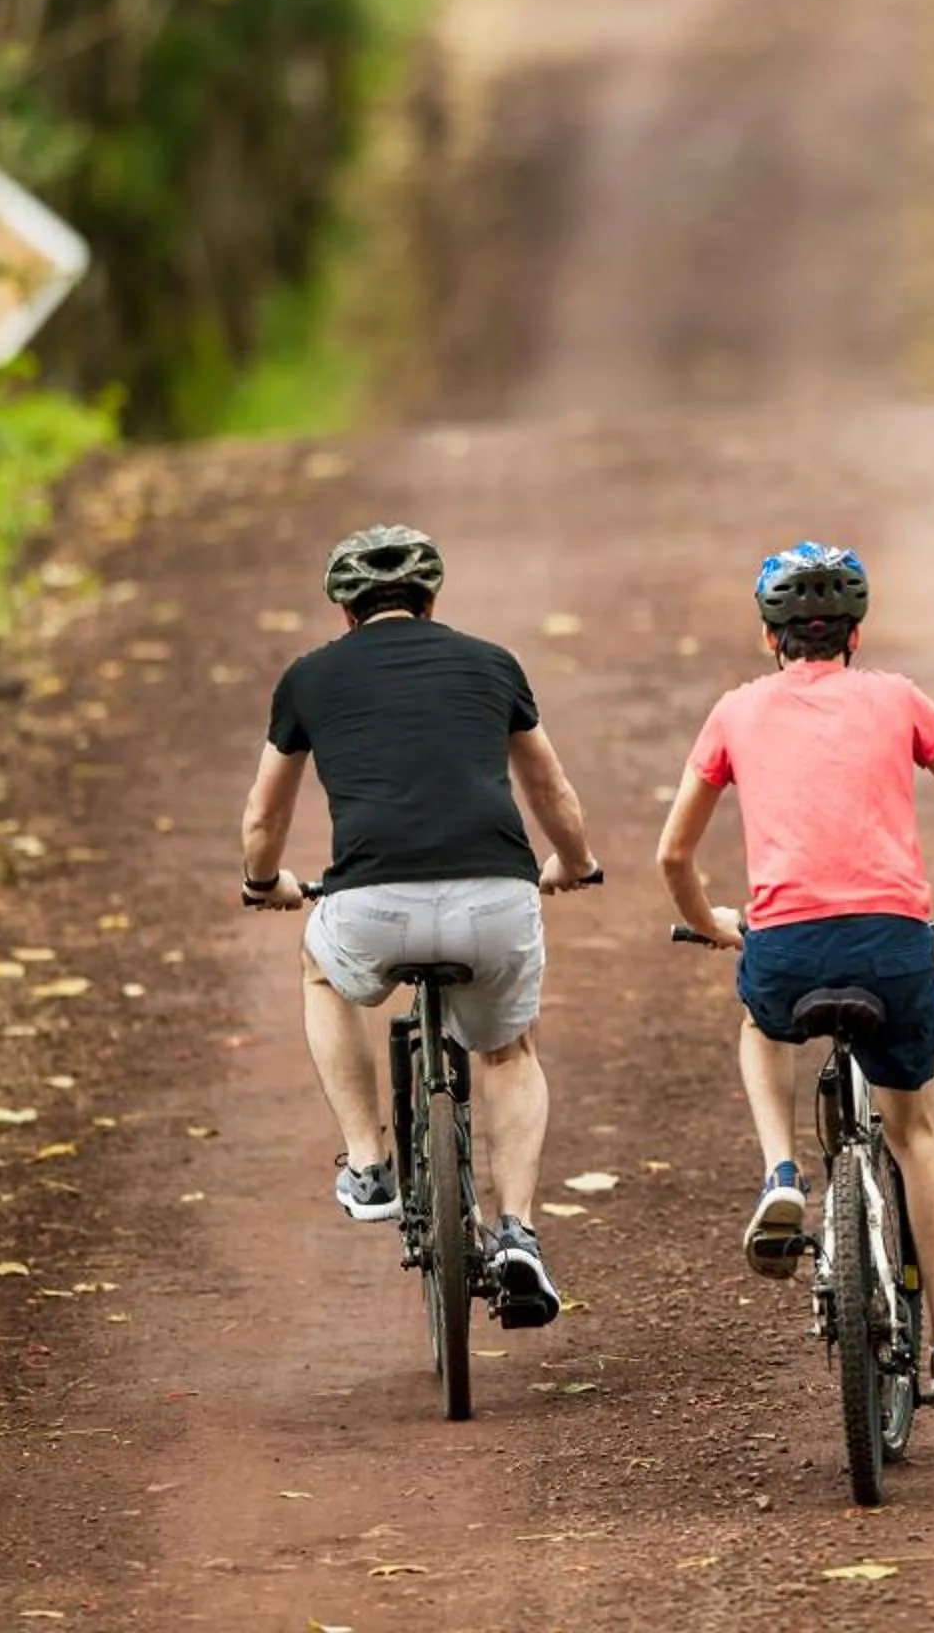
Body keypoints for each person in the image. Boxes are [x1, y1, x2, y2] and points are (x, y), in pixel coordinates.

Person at [655, 542, 934, 1402]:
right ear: (855, 634)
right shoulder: (897, 698)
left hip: (785, 946)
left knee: (761, 1023)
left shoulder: (735, 711)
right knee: (914, 1130)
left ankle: (782, 1172)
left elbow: (673, 853)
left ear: (769, 637)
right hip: (892, 944)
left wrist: (711, 922)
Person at [240, 524, 602, 1326]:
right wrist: (574, 862)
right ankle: (517, 1233)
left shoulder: (308, 678)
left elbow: (265, 815)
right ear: (431, 601)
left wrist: (264, 882)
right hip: (493, 898)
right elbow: (550, 790)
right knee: (507, 1050)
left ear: (345, 612)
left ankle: (369, 1161)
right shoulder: (492, 663)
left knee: (321, 971)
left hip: (370, 903)